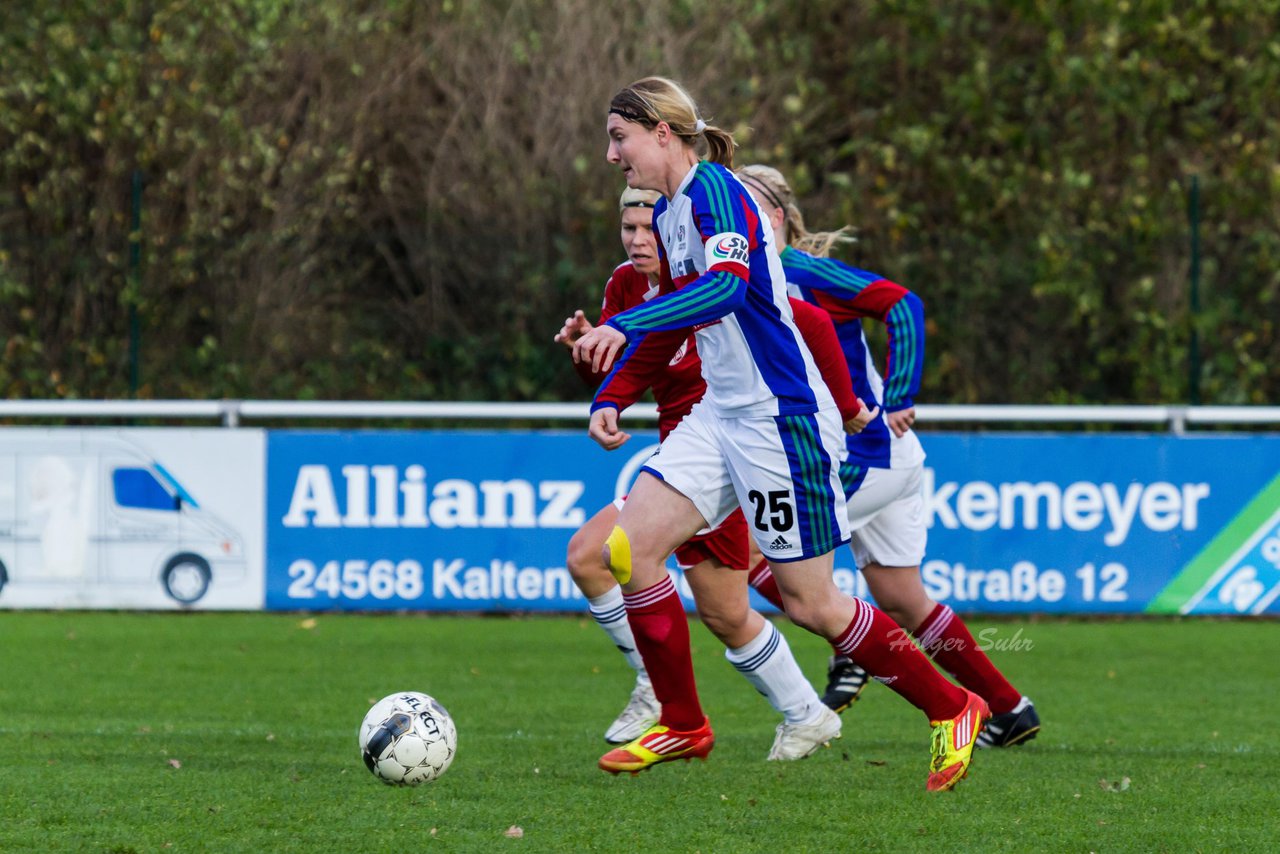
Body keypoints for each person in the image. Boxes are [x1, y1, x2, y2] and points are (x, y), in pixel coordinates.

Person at [573, 76, 988, 791]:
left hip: (777, 417)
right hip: (719, 416)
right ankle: (683, 722)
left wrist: (625, 323)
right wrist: (613, 391)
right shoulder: (673, 213)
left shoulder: (718, 194)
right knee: (627, 549)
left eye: (620, 137)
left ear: (662, 133)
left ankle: (953, 708)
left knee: (811, 603)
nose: (612, 155)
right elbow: (679, 310)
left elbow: (729, 287)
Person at [736, 163, 1040, 748]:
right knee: (903, 597)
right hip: (890, 458)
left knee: (746, 553)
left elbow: (903, 305)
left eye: (746, 209)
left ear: (774, 219)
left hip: (864, 451)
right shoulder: (752, 279)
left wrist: (899, 394)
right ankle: (1008, 708)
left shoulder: (800, 272)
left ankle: (850, 653)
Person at [554, 186, 850, 761]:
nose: (639, 240)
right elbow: (634, 371)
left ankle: (659, 691)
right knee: (723, 611)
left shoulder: (703, 272)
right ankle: (806, 712)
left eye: (649, 228)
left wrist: (851, 406)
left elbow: (805, 323)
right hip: (683, 451)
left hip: (728, 448)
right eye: (628, 229)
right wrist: (593, 353)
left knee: (597, 554)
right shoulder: (625, 285)